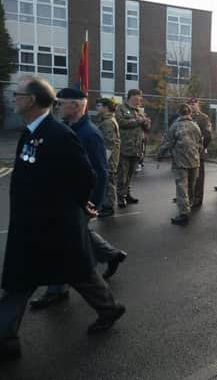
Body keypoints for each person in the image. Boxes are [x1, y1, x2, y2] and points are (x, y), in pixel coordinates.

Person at [0, 77, 125, 360]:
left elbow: (87, 176)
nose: (14, 98)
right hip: (31, 224)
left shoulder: (59, 134)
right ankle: (6, 336)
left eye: (18, 94)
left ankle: (109, 308)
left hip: (57, 223)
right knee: (20, 280)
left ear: (31, 100)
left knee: (80, 273)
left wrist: (82, 206)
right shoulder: (31, 132)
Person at [30, 88, 128, 309]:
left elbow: (101, 172)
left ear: (75, 106)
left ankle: (60, 290)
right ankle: (111, 255)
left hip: (79, 201)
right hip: (67, 200)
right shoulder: (68, 128)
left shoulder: (90, 134)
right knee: (75, 237)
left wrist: (93, 202)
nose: (57, 107)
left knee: (62, 244)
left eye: (61, 103)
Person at [158, 104, 203, 225]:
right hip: (194, 161)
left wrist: (160, 154)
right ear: (189, 113)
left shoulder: (175, 126)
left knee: (182, 187)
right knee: (191, 186)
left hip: (180, 161)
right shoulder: (195, 126)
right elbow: (200, 143)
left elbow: (168, 142)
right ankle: (190, 204)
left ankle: (184, 213)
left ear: (179, 112)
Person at [116, 89, 151, 208]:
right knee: (122, 174)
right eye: (138, 98)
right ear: (131, 96)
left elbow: (146, 128)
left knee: (131, 174)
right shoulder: (120, 108)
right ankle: (120, 197)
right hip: (124, 147)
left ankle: (127, 194)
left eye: (140, 98)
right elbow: (120, 122)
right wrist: (138, 121)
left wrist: (146, 123)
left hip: (136, 148)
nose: (139, 100)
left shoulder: (139, 110)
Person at [94, 97, 121, 218]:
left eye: (99, 105)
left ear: (105, 107)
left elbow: (110, 143)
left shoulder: (108, 122)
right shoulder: (105, 120)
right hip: (108, 156)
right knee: (108, 181)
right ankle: (106, 205)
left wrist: (104, 160)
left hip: (109, 158)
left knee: (109, 181)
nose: (97, 107)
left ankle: (109, 207)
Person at [189, 97, 212, 208]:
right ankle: (188, 196)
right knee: (188, 176)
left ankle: (198, 198)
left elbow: (208, 135)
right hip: (187, 153)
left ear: (198, 105)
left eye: (194, 104)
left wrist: (202, 148)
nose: (192, 106)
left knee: (198, 177)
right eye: (191, 104)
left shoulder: (203, 118)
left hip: (198, 151)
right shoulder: (187, 117)